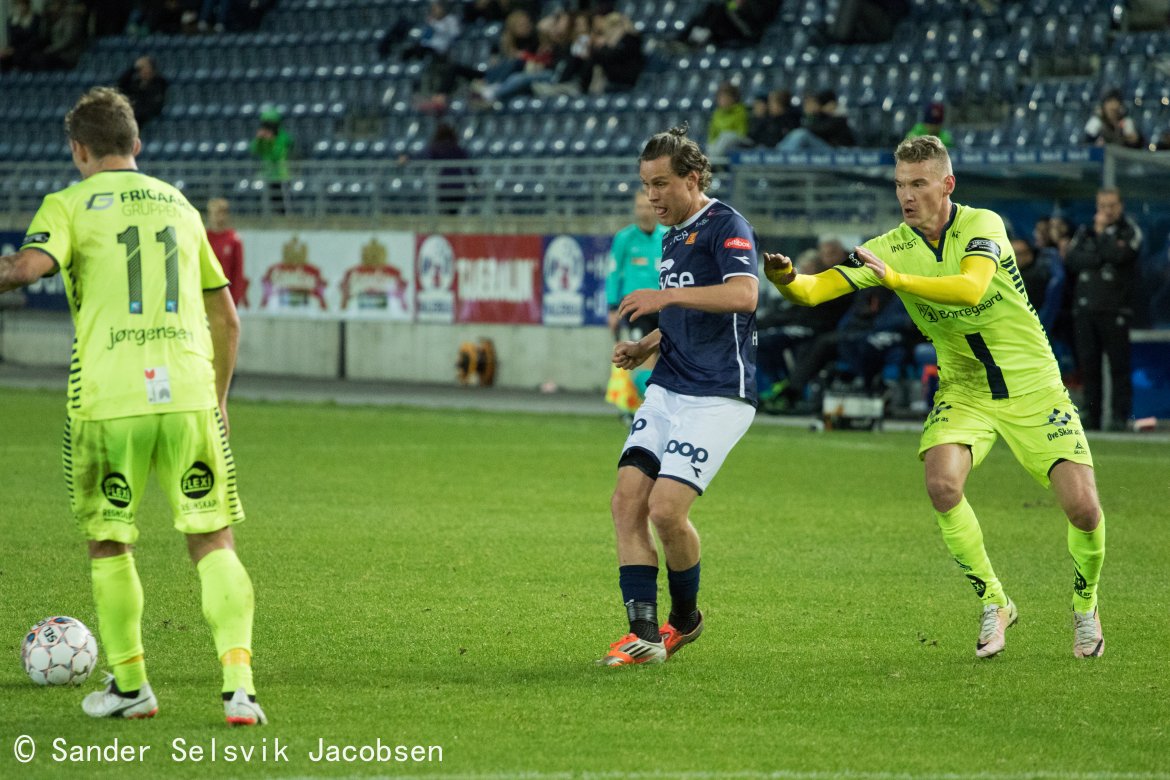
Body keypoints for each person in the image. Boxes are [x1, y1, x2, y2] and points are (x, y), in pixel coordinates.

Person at [764, 135, 1106, 659]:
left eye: (918, 183)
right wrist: (786, 278)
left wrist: (896, 280)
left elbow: (971, 288)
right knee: (942, 485)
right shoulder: (888, 247)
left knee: (1083, 509)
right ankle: (995, 602)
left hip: (1033, 384)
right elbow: (813, 291)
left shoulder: (983, 225)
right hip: (964, 388)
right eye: (901, 184)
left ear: (946, 185)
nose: (907, 194)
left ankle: (1086, 606)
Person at [0, 87, 266, 723]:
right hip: (190, 394)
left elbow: (30, 268)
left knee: (109, 541)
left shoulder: (66, 203)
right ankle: (239, 689)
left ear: (79, 149)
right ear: (137, 144)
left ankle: (130, 687)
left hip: (109, 397)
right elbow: (226, 318)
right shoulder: (180, 205)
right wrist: (219, 398)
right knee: (212, 539)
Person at [599, 124, 759, 666]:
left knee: (666, 510)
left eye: (662, 184)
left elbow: (743, 294)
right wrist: (646, 345)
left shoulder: (726, 224)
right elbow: (688, 312)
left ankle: (685, 619)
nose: (652, 197)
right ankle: (642, 636)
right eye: (647, 185)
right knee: (627, 502)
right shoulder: (671, 234)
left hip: (719, 394)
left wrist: (663, 295)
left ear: (693, 178)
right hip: (669, 385)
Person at [1064, 188, 1143, 431]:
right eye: (1103, 205)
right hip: (1085, 311)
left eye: (1112, 205)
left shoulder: (1129, 230)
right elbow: (1072, 259)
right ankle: (1092, 416)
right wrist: (1099, 253)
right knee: (1089, 366)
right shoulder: (1084, 230)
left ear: (1120, 205)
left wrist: (1101, 241)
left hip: (1115, 310)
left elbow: (1120, 255)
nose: (1107, 211)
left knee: (1119, 366)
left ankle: (1120, 417)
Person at [775, 89, 856, 152]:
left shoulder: (840, 116)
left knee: (802, 134)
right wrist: (811, 115)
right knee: (797, 133)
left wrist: (811, 114)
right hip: (824, 149)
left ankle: (780, 156)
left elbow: (820, 129)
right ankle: (777, 153)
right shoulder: (821, 116)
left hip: (839, 152)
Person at [205, 197, 248, 307]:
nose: (217, 217)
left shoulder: (233, 239)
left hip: (226, 296)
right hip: (206, 294)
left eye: (220, 213)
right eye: (213, 213)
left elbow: (238, 271)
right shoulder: (204, 238)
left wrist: (235, 298)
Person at [249, 107, 293, 215]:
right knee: (269, 200)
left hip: (282, 175)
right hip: (267, 174)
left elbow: (276, 155)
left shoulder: (283, 138)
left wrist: (271, 141)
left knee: (281, 202)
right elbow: (254, 150)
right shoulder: (263, 138)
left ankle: (286, 220)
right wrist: (259, 139)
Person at [117, 55, 168, 128]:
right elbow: (121, 85)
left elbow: (154, 106)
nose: (143, 71)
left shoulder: (159, 83)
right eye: (140, 69)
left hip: (147, 116)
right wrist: (133, 67)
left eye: (146, 68)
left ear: (152, 69)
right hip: (135, 115)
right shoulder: (136, 84)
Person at [706, 81, 750, 158]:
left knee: (726, 136)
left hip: (738, 140)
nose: (723, 100)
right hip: (720, 144)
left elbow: (741, 132)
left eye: (726, 98)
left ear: (733, 98)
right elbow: (712, 134)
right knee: (711, 145)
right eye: (721, 98)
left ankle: (713, 161)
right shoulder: (717, 113)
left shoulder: (740, 111)